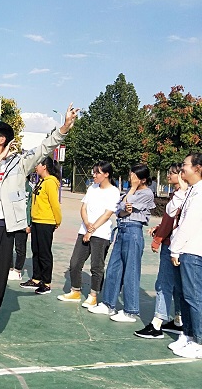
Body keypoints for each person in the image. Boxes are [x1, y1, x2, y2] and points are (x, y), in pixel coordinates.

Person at [0, 103, 79, 366]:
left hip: (6, 231)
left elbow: (45, 147)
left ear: (3, 139)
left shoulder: (20, 164)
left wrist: (64, 127)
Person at [89, 164, 155, 322]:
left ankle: (130, 311)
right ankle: (108, 304)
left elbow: (129, 207)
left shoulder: (147, 193)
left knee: (131, 271)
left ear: (143, 179)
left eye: (134, 176)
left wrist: (131, 191)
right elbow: (120, 209)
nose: (131, 178)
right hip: (122, 230)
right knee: (113, 268)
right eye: (131, 174)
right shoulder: (129, 192)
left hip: (133, 231)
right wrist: (127, 203)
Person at [57, 161, 119, 307]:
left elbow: (107, 214)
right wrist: (86, 224)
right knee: (75, 262)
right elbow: (83, 207)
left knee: (96, 266)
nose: (94, 175)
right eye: (94, 172)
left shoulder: (114, 192)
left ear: (106, 174)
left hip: (101, 233)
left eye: (97, 172)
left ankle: (93, 295)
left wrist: (91, 230)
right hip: (84, 230)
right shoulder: (92, 188)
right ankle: (75, 291)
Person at [134, 163, 184, 339]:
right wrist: (159, 228)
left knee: (163, 284)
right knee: (178, 285)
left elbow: (171, 222)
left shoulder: (180, 196)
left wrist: (158, 239)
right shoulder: (183, 195)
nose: (169, 176)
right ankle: (178, 320)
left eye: (173, 173)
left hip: (172, 246)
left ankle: (157, 323)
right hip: (178, 245)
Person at [167, 153, 202, 358]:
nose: (182, 168)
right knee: (185, 296)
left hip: (192, 250)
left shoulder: (200, 192)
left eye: (185, 165)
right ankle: (188, 336)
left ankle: (199, 341)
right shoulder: (191, 190)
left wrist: (175, 248)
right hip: (185, 249)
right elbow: (174, 212)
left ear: (197, 168)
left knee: (194, 298)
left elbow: (189, 224)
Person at [21, 156, 62, 295]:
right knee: (36, 251)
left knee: (44, 252)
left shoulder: (50, 182)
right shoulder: (41, 182)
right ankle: (36, 278)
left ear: (44, 166)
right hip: (37, 220)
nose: (36, 167)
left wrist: (57, 221)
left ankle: (46, 282)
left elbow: (54, 204)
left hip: (46, 221)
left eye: (38, 164)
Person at [7, 173, 35, 281]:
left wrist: (29, 223)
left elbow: (31, 207)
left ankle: (18, 270)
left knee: (20, 247)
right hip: (11, 221)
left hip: (23, 223)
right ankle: (9, 268)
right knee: (8, 246)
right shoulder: (12, 187)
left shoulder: (30, 188)